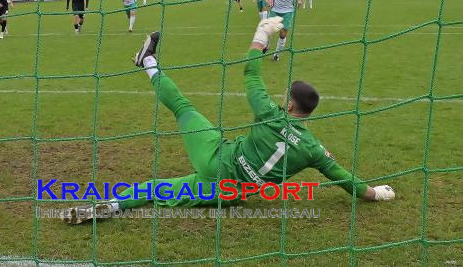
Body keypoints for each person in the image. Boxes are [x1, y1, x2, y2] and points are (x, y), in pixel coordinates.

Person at [60, 18, 396, 224]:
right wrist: (377, 194)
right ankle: (109, 207)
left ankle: (147, 61)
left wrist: (261, 35)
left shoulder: (268, 113)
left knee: (182, 108)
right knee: (157, 190)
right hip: (230, 193)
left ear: (289, 104)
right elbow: (347, 180)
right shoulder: (314, 150)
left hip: (216, 158)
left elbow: (250, 71)